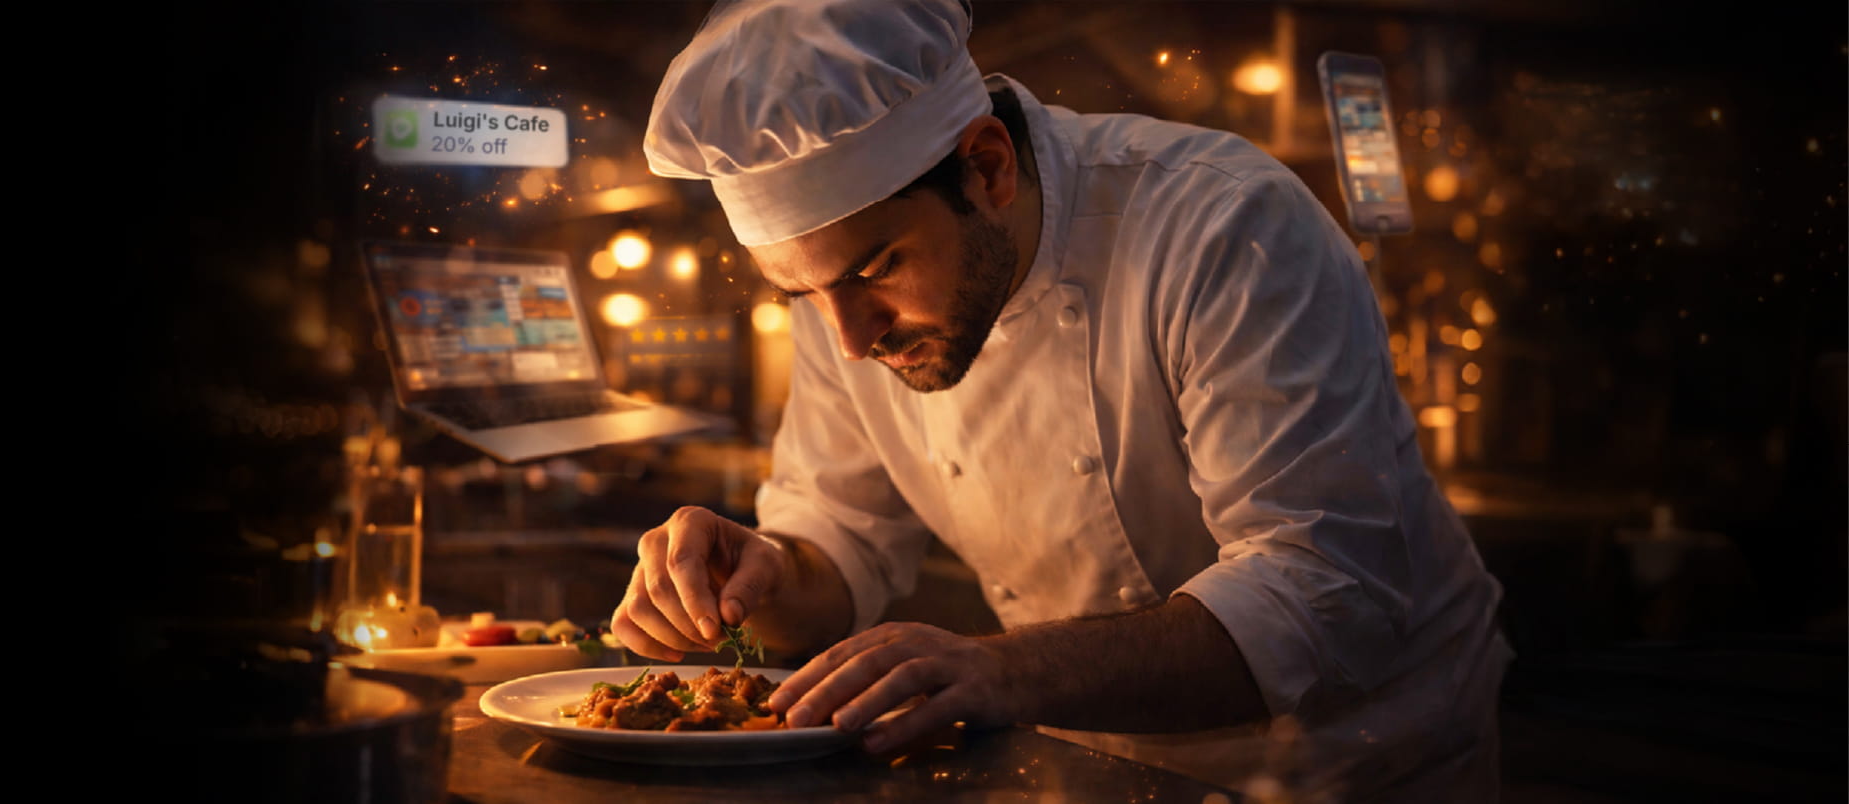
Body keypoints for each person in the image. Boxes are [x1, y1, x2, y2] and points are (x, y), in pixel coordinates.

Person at [617, 0, 1511, 799]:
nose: (850, 337)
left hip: (1353, 763)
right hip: (1085, 762)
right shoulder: (844, 306)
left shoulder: (1223, 225)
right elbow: (839, 539)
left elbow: (1320, 588)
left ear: (988, 168)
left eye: (879, 268)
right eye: (804, 296)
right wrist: (763, 573)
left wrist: (1002, 673)